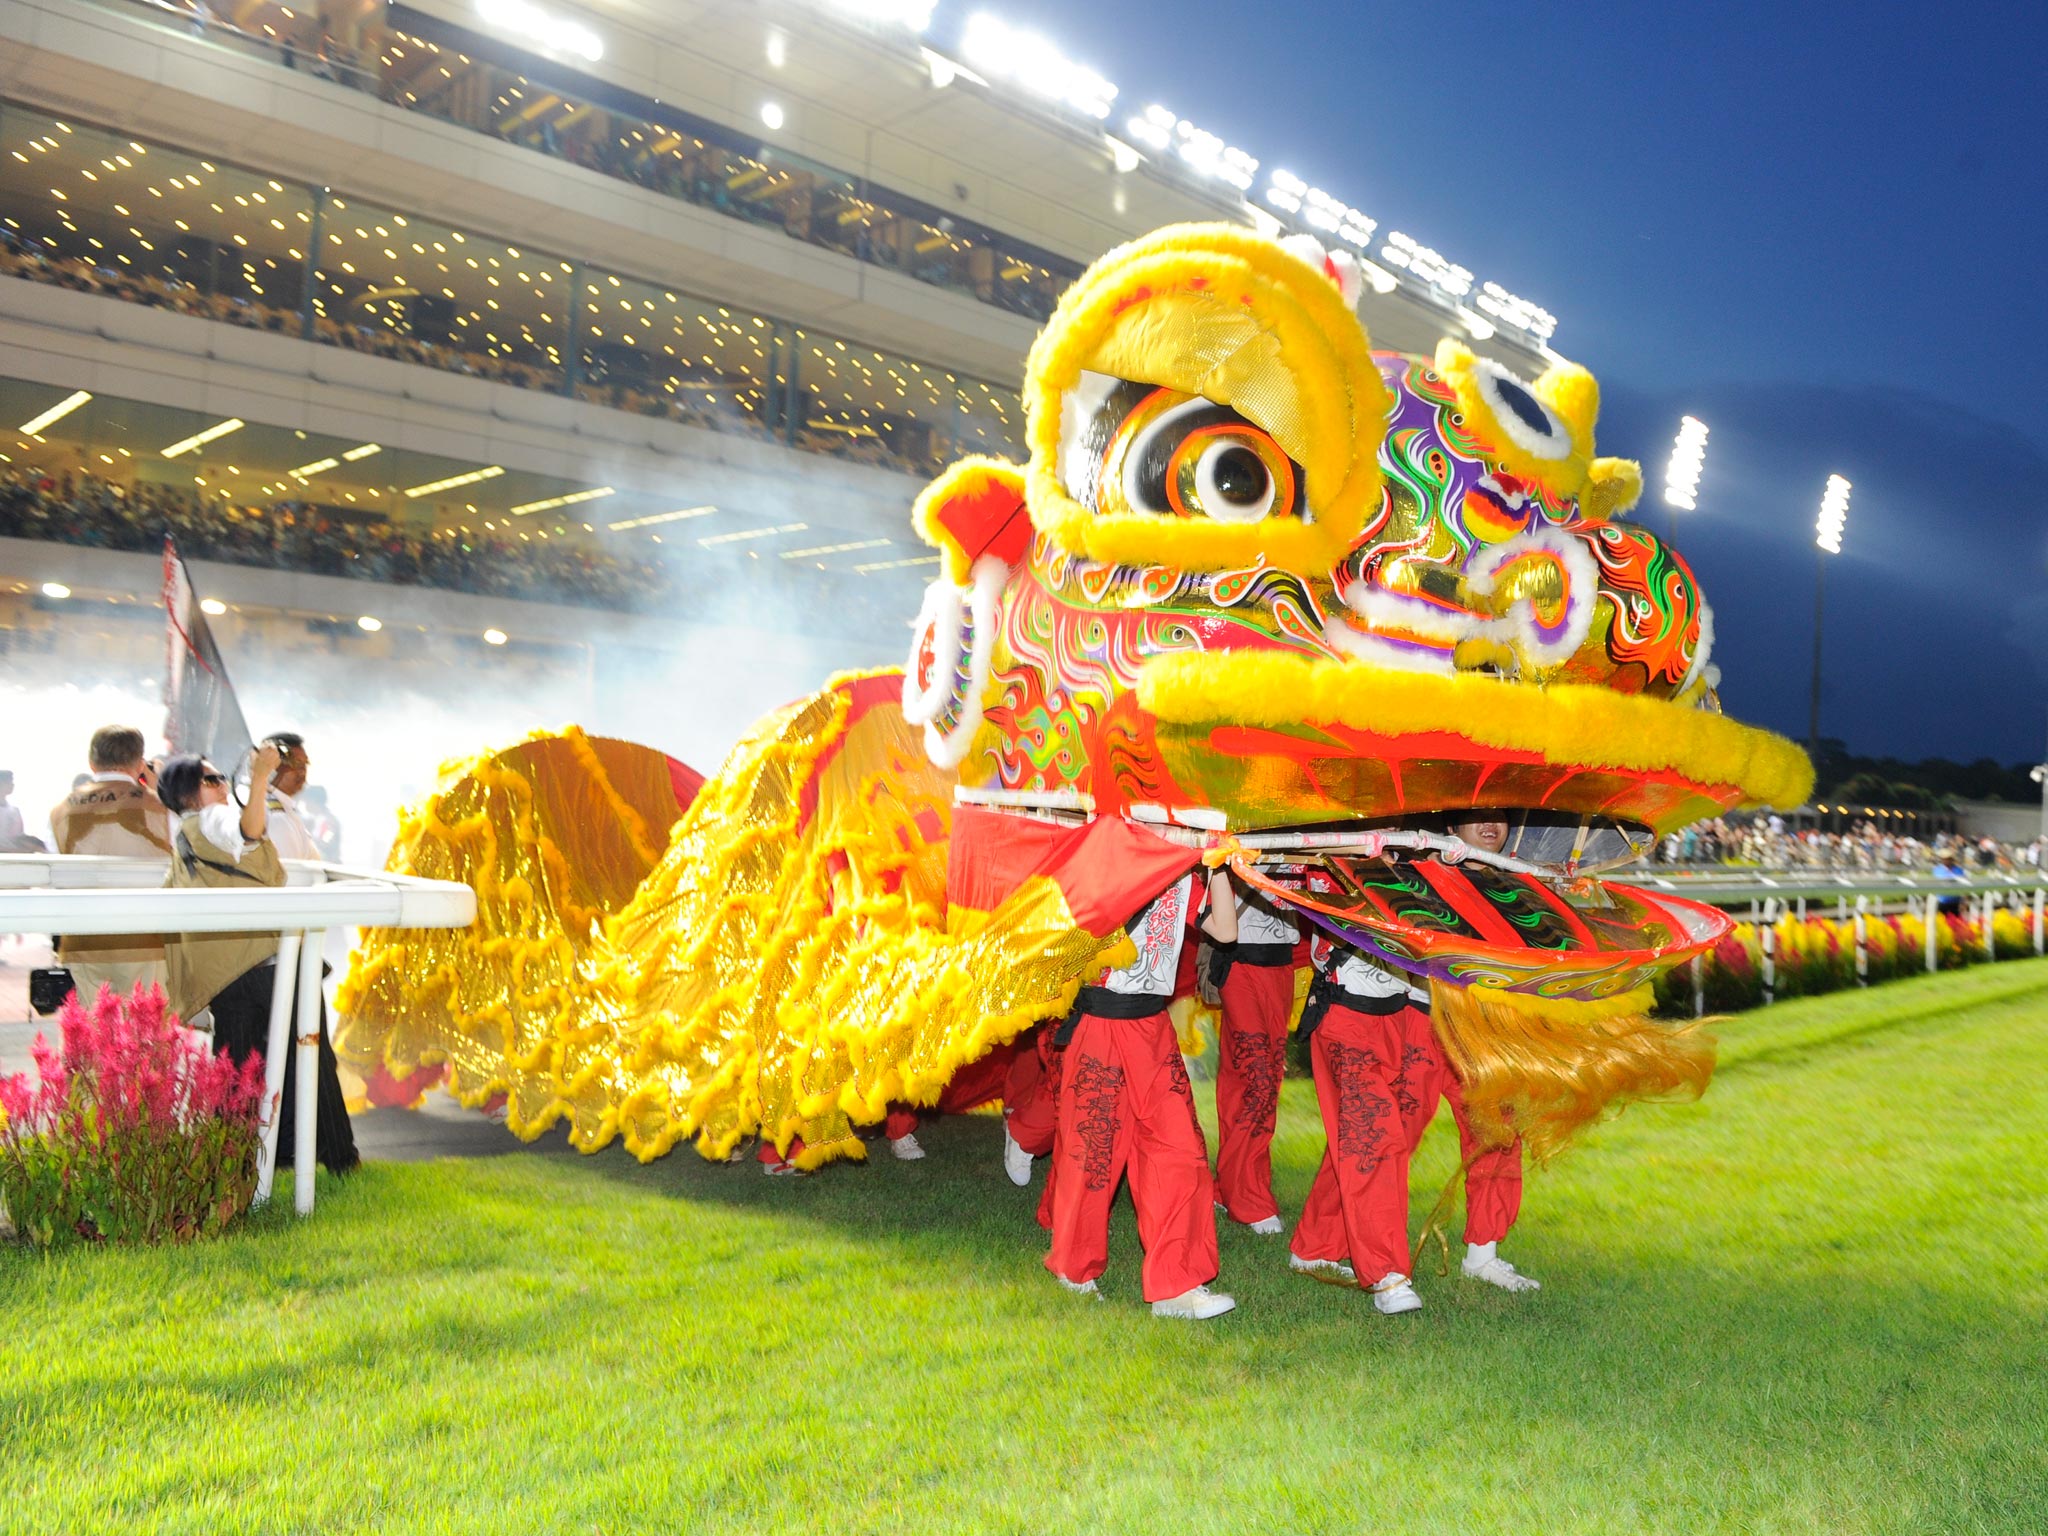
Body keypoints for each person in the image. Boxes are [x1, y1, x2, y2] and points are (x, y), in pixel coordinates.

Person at [1045, 866, 1237, 1320]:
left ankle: (1178, 1285)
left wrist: (1220, 865)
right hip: (1100, 1025)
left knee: (1181, 1151)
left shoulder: (1184, 872)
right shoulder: (1108, 854)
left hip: (1153, 1027)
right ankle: (1073, 1268)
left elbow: (1226, 931)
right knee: (1091, 1153)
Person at [157, 747, 359, 1175]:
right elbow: (248, 831)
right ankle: (341, 1159)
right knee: (314, 1061)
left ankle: (228, 1167)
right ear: (191, 793)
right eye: (212, 781)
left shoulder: (181, 838)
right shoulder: (213, 820)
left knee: (235, 1075)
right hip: (273, 968)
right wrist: (262, 774)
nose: (222, 787)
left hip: (228, 977)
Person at [1404, 813, 1539, 1294]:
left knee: (1499, 1134)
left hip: (1482, 1033)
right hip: (1420, 1020)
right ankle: (1329, 1244)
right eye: (1476, 815)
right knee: (1382, 1140)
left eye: (1500, 816)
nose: (1490, 824)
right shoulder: (1413, 865)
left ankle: (1483, 1255)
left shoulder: (1519, 881)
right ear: (1451, 823)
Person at [1287, 924, 1427, 1315]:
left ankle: (1315, 1245)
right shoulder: (1330, 865)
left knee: (1357, 1138)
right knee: (1374, 1140)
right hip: (1346, 1016)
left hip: (1394, 1014)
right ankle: (1387, 1273)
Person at [47, 725, 174, 1003]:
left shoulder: (59, 811)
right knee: (146, 1034)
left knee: (89, 1035)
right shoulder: (161, 808)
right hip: (144, 941)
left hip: (82, 940)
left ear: (91, 762)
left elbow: (53, 872)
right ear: (141, 764)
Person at [1210, 870, 1300, 1235]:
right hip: (1240, 964)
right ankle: (1246, 1197)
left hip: (1281, 967)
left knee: (1250, 1083)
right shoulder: (1242, 827)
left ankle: (1228, 1185)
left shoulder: (1310, 831)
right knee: (1257, 1080)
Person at [261, 732, 320, 861]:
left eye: (305, 764)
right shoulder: (274, 815)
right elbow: (288, 872)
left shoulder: (285, 808)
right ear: (274, 766)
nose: (302, 771)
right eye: (296, 764)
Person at [0, 769, 37, 851]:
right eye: (7, 782)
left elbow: (19, 836)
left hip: (15, 858)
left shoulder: (15, 811)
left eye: (12, 782)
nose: (12, 785)